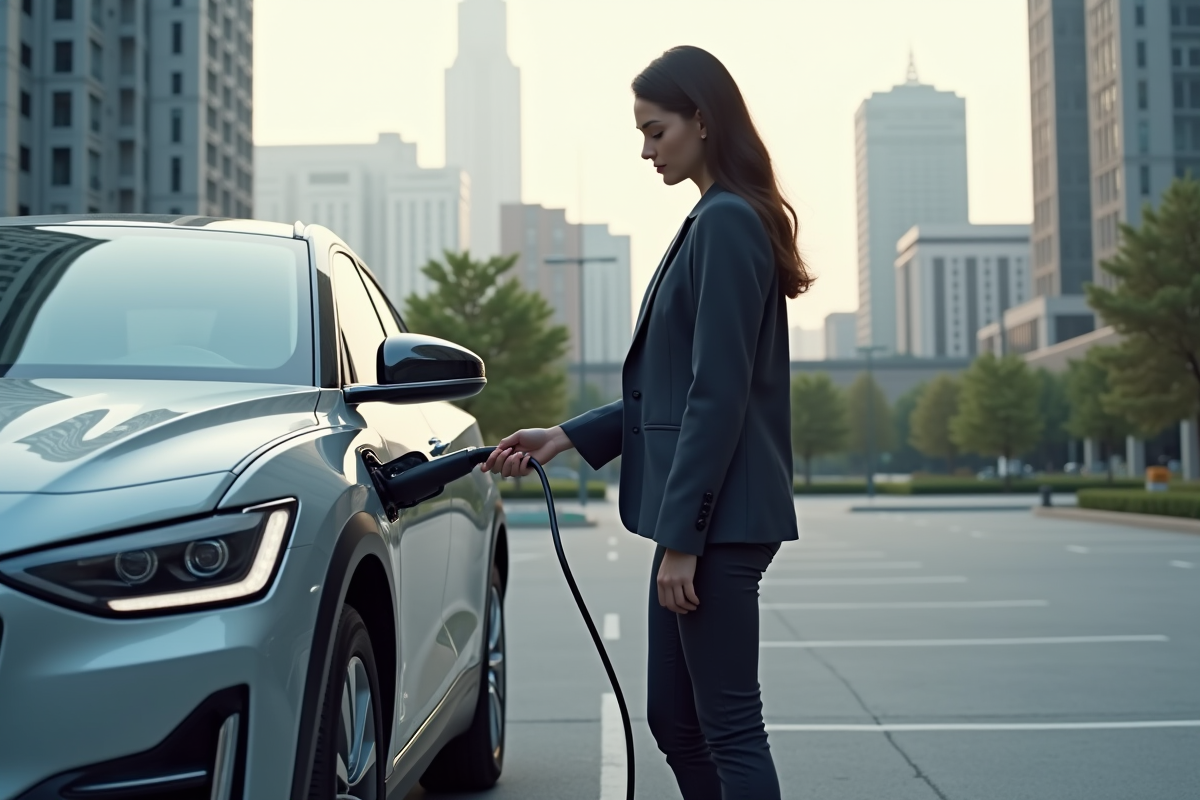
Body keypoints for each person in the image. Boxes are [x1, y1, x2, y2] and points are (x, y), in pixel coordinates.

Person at [480, 45, 812, 799]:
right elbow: (670, 389)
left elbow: (717, 395)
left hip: (719, 524)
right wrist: (568, 436)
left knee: (726, 726)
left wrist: (682, 541)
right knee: (676, 721)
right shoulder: (713, 218)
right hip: (707, 521)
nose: (645, 149)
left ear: (702, 119)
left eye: (656, 130)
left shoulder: (726, 223)